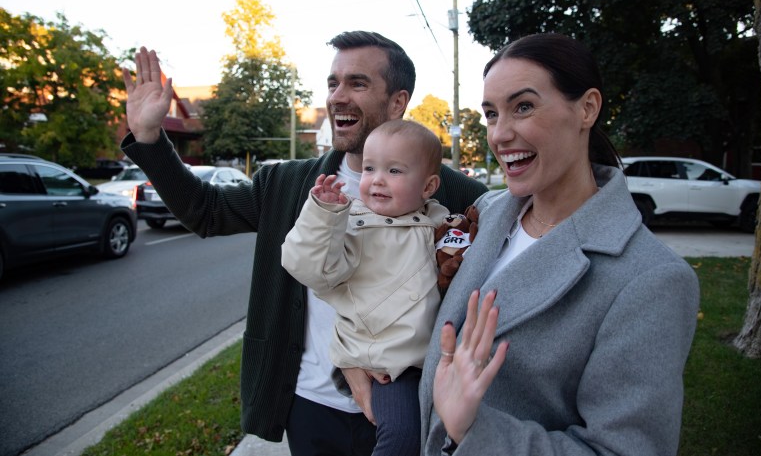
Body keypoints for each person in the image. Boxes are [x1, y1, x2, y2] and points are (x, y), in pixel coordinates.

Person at [120, 31, 488, 456]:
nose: (338, 97)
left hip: (409, 401)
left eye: (357, 83)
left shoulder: (457, 196)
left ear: (397, 101)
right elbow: (205, 210)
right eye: (333, 83)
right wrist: (150, 138)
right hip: (310, 404)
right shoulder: (288, 184)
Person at [416, 33, 700, 455]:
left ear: (587, 108)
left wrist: (474, 429)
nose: (499, 134)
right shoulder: (490, 211)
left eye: (523, 107)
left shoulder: (651, 280)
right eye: (492, 114)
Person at [281, 119, 447, 456]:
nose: (377, 180)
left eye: (394, 171)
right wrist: (323, 216)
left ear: (428, 187)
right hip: (385, 365)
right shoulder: (354, 223)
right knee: (401, 438)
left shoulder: (439, 223)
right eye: (369, 169)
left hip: (426, 362)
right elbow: (309, 267)